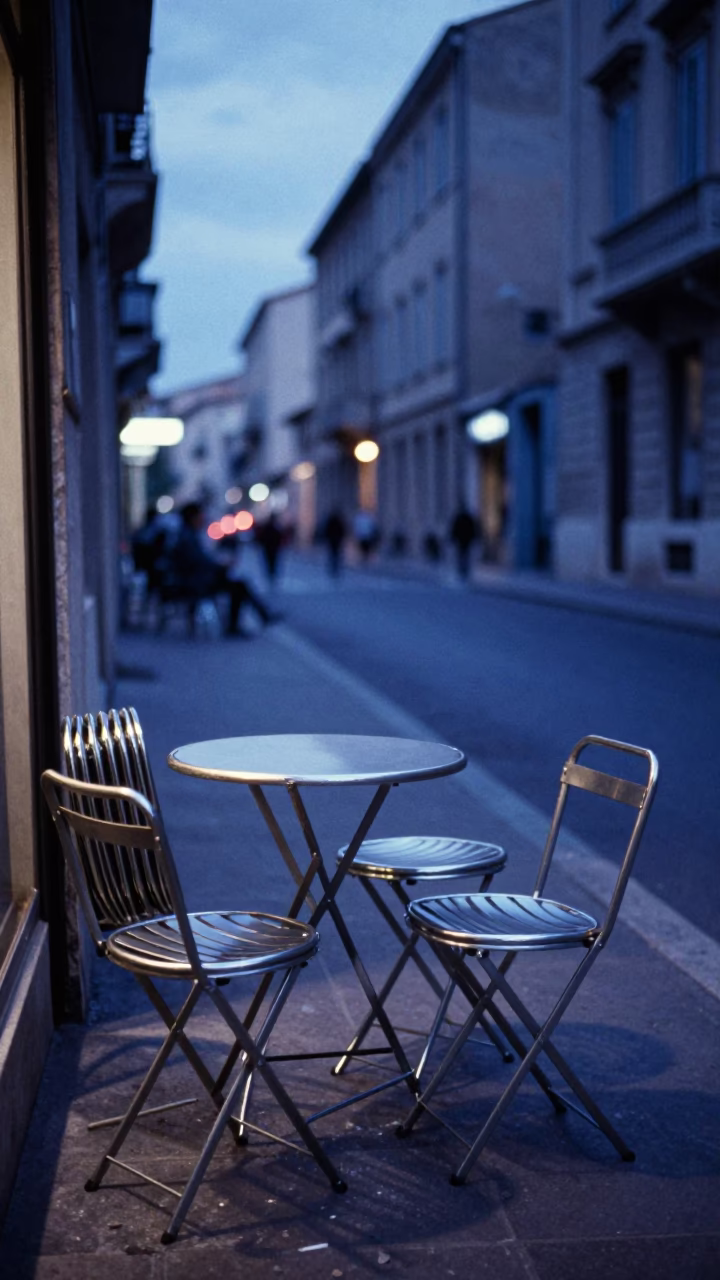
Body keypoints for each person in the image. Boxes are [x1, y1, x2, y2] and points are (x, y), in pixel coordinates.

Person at [173, 502, 279, 637]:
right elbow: (199, 561)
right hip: (195, 583)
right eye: (200, 515)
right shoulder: (187, 537)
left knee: (239, 584)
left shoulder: (186, 534)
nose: (203, 518)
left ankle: (261, 615)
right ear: (193, 517)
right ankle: (241, 624)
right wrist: (220, 565)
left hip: (193, 579)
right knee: (239, 586)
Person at [449, 504, 480, 580]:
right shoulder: (467, 518)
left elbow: (455, 528)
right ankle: (464, 569)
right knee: (465, 554)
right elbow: (473, 529)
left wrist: (453, 537)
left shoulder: (460, 518)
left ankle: (462, 569)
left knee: (462, 554)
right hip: (466, 539)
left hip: (462, 539)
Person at [255, 512, 284, 583]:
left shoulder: (269, 527)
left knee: (270, 561)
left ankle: (271, 573)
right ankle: (271, 573)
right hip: (271, 548)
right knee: (272, 561)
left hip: (270, 548)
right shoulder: (274, 528)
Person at [322, 508, 347, 576]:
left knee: (333, 555)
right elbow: (343, 530)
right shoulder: (338, 521)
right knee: (336, 555)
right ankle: (335, 568)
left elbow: (327, 530)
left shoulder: (331, 521)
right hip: (336, 540)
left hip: (333, 540)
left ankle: (333, 567)